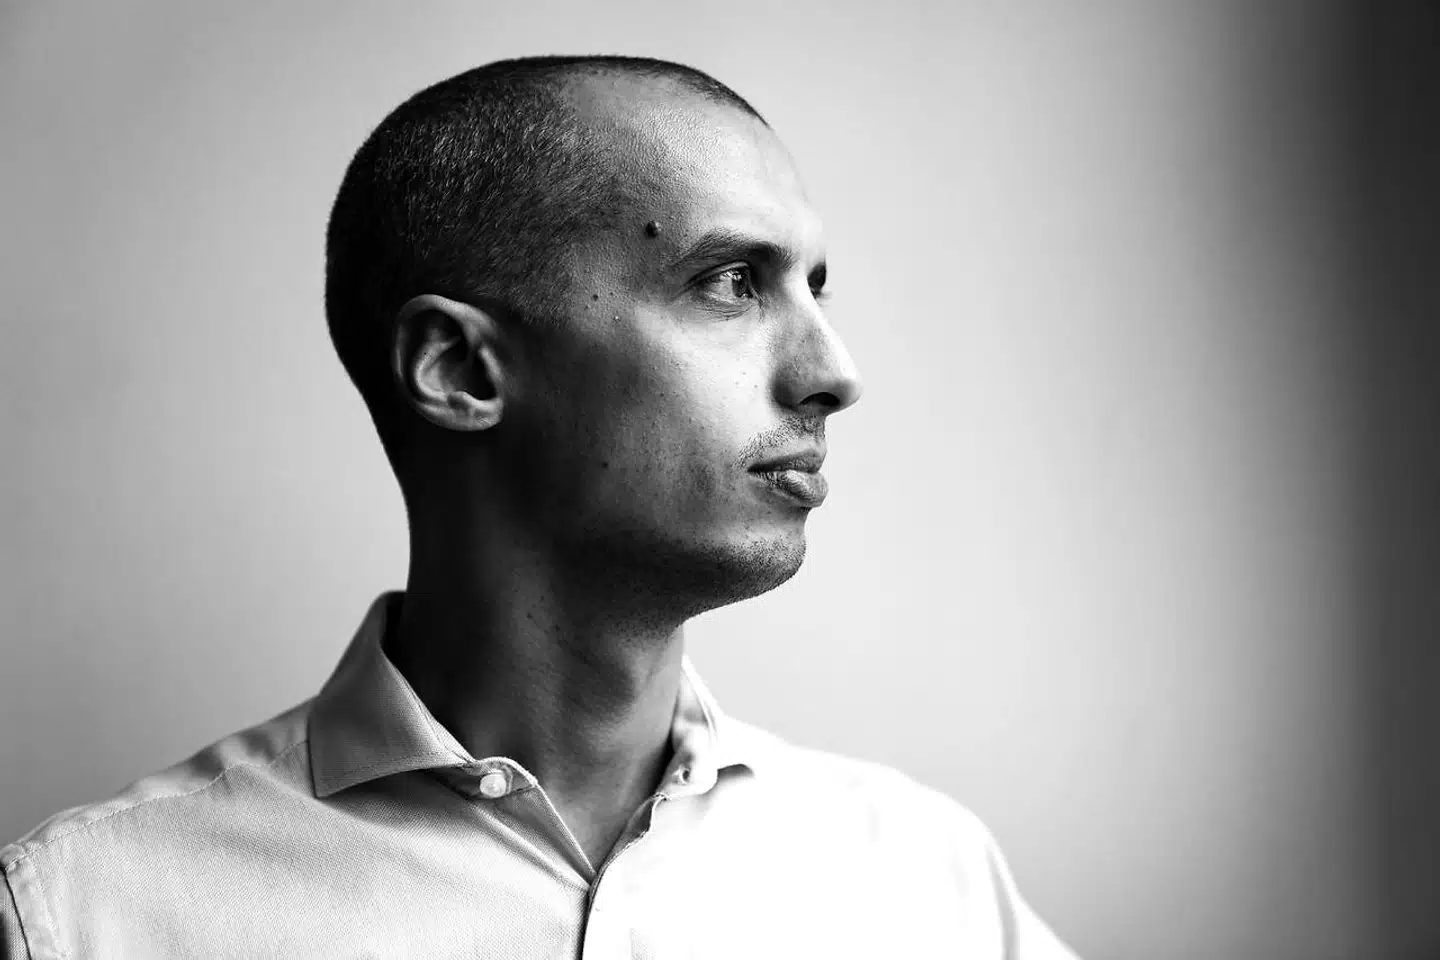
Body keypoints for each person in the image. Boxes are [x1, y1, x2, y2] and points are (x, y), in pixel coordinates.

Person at [1, 55, 1078, 958]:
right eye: (732, 282)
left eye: (815, 286)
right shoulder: (84, 917)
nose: (833, 373)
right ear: (459, 369)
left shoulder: (925, 880)